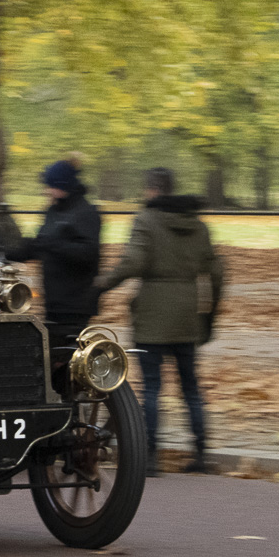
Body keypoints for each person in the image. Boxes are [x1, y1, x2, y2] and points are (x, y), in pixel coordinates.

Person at [95, 167, 224, 473]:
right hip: (188, 315)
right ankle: (201, 453)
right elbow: (217, 273)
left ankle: (150, 457)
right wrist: (209, 314)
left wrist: (101, 284)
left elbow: (133, 262)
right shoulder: (198, 225)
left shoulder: (146, 220)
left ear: (151, 189)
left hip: (153, 314)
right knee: (190, 387)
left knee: (152, 387)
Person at [5, 155, 102, 343]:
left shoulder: (86, 213)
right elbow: (41, 244)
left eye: (50, 186)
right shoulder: (53, 211)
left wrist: (54, 245)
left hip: (76, 303)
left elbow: (88, 253)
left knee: (69, 351)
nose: (46, 190)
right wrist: (12, 252)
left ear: (62, 186)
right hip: (53, 301)